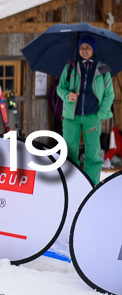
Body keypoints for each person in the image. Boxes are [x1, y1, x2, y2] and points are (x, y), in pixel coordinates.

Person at [56, 36, 114, 185]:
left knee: (93, 154)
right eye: (82, 48)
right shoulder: (70, 67)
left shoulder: (103, 69)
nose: (84, 51)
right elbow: (60, 88)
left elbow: (109, 94)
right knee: (69, 152)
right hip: (71, 117)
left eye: (88, 48)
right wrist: (68, 95)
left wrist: (101, 114)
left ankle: (92, 184)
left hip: (92, 117)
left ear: (93, 49)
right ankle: (70, 184)